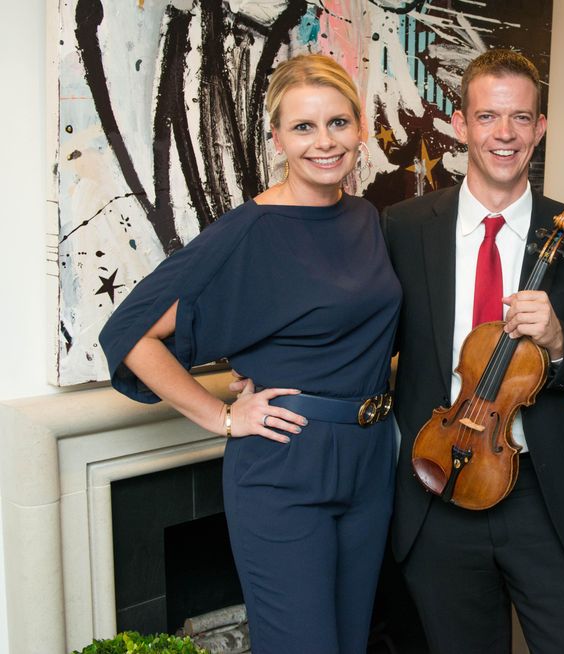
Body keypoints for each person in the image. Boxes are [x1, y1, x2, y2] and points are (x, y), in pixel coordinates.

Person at [99, 53, 401, 654]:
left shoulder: (366, 218)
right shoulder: (249, 231)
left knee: (350, 642)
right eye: (304, 127)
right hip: (284, 465)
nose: (324, 142)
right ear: (277, 138)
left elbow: (352, 331)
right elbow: (129, 332)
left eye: (338, 123)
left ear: (361, 127)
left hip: (371, 460)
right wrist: (222, 417)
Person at [382, 50, 564, 654]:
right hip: (438, 490)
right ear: (461, 125)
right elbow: (365, 336)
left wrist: (559, 340)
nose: (503, 134)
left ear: (540, 127)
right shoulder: (404, 228)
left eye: (520, 118)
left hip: (543, 496)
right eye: (487, 117)